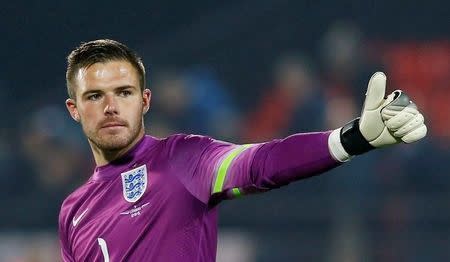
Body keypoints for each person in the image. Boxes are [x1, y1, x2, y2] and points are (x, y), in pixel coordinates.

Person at [58, 39, 427, 261]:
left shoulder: (181, 160)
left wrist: (351, 138)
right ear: (74, 109)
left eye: (124, 93)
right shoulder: (73, 211)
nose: (111, 107)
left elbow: (261, 162)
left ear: (145, 101)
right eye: (94, 96)